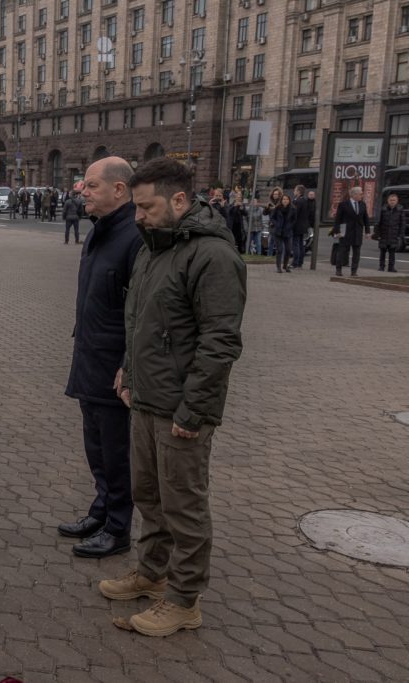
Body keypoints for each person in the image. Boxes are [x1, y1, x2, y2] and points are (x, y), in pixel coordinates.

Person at [103, 157, 246, 637]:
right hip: (147, 399)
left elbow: (220, 342)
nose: (138, 216)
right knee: (148, 495)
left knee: (184, 506)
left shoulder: (212, 256)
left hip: (181, 409)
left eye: (146, 207)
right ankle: (152, 574)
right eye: (136, 206)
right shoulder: (154, 246)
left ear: (179, 200)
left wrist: (194, 409)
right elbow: (139, 320)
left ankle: (184, 600)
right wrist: (128, 369)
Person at [59, 156, 143, 559]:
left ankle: (118, 527)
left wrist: (128, 363)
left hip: (114, 367)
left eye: (91, 185)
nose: (83, 192)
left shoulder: (135, 237)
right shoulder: (99, 231)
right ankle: (101, 511)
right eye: (84, 185)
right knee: (96, 446)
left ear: (119, 190)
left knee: (116, 450)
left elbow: (141, 311)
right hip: (90, 356)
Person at [332, 186, 371, 277]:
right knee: (342, 251)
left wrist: (367, 231)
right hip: (345, 231)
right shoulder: (343, 204)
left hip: (358, 231)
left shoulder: (362, 204)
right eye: (360, 194)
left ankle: (354, 271)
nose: (362, 195)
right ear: (354, 194)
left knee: (356, 252)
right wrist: (337, 231)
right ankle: (338, 270)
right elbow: (338, 219)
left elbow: (366, 219)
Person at [374, 193, 405, 273]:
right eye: (391, 200)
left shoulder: (400, 210)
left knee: (392, 253)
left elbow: (402, 224)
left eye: (394, 200)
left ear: (397, 201)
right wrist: (377, 234)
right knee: (382, 252)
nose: (392, 202)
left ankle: (391, 268)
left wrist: (400, 235)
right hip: (383, 234)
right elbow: (378, 223)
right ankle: (381, 267)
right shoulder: (383, 209)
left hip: (394, 234)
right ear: (388, 201)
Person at [271, 194, 296, 273]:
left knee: (288, 250)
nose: (285, 201)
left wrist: (290, 226)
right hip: (278, 231)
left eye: (287, 199)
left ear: (289, 200)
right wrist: (276, 224)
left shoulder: (293, 209)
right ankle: (278, 267)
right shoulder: (277, 208)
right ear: (281, 200)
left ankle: (285, 265)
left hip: (287, 232)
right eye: (284, 199)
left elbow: (294, 219)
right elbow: (272, 217)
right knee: (280, 249)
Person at [292, 185, 311, 268]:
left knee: (295, 244)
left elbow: (295, 214)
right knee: (301, 244)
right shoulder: (305, 201)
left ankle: (295, 262)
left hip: (297, 226)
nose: (294, 191)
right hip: (303, 226)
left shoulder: (297, 201)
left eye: (295, 190)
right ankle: (300, 262)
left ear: (298, 192)